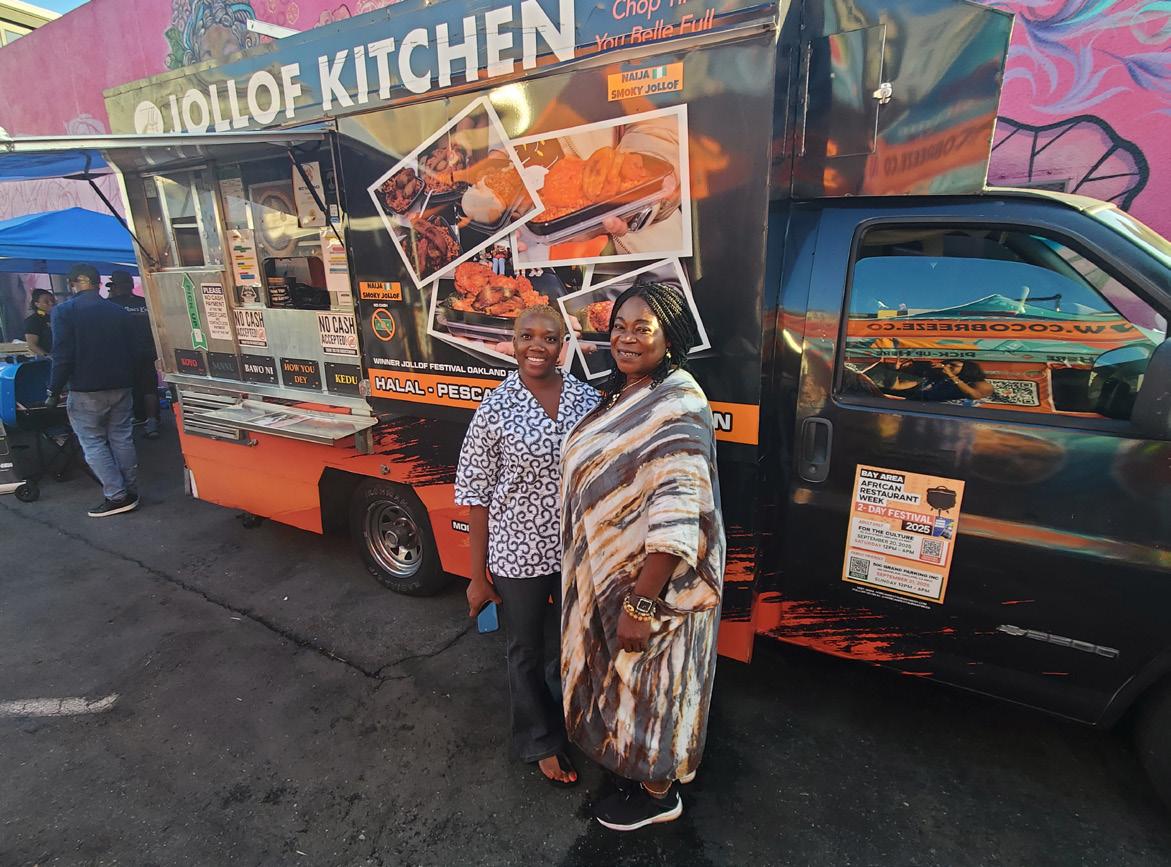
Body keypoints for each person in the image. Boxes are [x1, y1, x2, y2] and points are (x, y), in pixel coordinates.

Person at [560, 280, 725, 831]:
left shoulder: (677, 404)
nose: (626, 338)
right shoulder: (627, 390)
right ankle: (636, 767)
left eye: (641, 328)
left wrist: (641, 603)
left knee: (656, 685)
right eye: (619, 327)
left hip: (651, 585)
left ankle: (658, 793)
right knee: (630, 681)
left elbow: (679, 514)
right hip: (612, 573)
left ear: (669, 336)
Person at [455, 305, 600, 786]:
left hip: (576, 550)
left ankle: (571, 719)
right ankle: (539, 741)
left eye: (549, 337)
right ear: (513, 343)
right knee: (525, 649)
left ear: (563, 345)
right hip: (517, 552)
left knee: (573, 645)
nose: (537, 346)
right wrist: (477, 577)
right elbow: (476, 496)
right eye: (526, 336)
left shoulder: (587, 400)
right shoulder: (495, 408)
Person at [46, 264, 142, 517]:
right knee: (122, 437)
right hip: (121, 384)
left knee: (93, 442)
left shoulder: (64, 312)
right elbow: (135, 350)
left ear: (75, 283)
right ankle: (130, 490)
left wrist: (53, 390)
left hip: (86, 389)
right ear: (98, 283)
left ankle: (117, 495)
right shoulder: (118, 312)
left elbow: (62, 354)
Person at [105, 271, 161, 439]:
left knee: (123, 389)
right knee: (149, 387)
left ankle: (127, 422)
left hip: (122, 354)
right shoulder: (145, 303)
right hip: (147, 351)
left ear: (116, 286)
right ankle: (151, 422)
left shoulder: (110, 305)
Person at [22, 288, 55, 356]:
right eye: (46, 301)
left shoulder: (59, 316)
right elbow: (32, 345)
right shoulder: (33, 320)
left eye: (52, 300)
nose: (51, 303)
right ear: (37, 304)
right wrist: (47, 356)